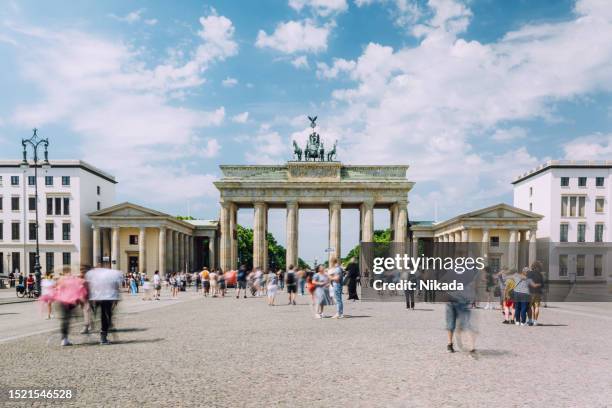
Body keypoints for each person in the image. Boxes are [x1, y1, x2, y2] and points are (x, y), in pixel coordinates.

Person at [86, 265, 123, 345]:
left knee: (100, 316)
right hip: (108, 297)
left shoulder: (93, 274)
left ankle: (92, 328)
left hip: (96, 297)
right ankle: (103, 337)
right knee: (105, 317)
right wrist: (116, 298)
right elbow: (116, 286)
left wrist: (90, 297)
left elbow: (89, 285)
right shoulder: (112, 274)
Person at [54, 267, 87, 346]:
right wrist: (82, 300)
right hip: (70, 302)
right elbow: (81, 288)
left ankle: (64, 338)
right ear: (69, 271)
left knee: (64, 320)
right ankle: (64, 339)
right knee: (67, 320)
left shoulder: (61, 279)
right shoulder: (74, 279)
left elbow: (56, 289)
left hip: (61, 301)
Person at [527, 261, 545, 326]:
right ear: (539, 267)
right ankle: (535, 321)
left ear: (532, 266)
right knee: (536, 307)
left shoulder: (529, 273)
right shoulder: (540, 274)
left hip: (530, 292)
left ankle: (530, 321)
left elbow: (527, 282)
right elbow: (542, 285)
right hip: (538, 292)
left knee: (529, 307)